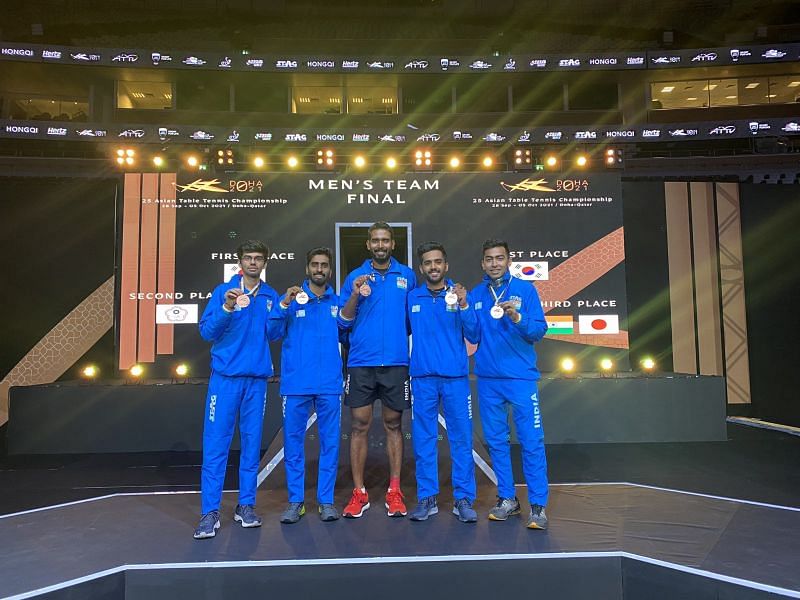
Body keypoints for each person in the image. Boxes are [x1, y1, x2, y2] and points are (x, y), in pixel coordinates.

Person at [193, 240, 281, 539]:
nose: (253, 263)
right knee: (216, 445)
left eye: (258, 258)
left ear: (265, 263)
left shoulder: (270, 295)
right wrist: (228, 307)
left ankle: (246, 506)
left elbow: (275, 333)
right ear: (239, 263)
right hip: (225, 380)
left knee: (251, 446)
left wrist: (282, 308)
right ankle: (210, 512)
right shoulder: (223, 292)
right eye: (248, 258)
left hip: (256, 381)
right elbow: (207, 332)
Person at [465, 239, 550, 529]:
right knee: (497, 443)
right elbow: (473, 337)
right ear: (482, 263)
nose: (494, 263)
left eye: (499, 258)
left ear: (509, 260)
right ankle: (507, 499)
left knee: (531, 441)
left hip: (521, 379)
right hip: (488, 380)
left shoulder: (525, 290)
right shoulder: (478, 294)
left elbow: (539, 329)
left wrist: (517, 316)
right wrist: (465, 308)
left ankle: (538, 505)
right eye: (489, 259)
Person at [338, 222, 416, 518]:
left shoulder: (406, 276)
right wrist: (356, 294)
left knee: (394, 425)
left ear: (392, 244)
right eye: (375, 241)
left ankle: (394, 491)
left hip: (396, 363)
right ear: (368, 245)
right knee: (359, 426)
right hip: (361, 363)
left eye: (385, 240)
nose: (381, 245)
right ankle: (359, 493)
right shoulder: (355, 277)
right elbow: (343, 322)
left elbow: (411, 320)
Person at [269, 247, 343, 524]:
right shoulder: (289, 299)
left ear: (330, 270)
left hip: (329, 385)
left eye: (324, 265)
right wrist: (284, 305)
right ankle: (296, 501)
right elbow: (272, 332)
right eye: (315, 265)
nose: (319, 269)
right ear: (307, 269)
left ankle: (326, 501)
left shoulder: (338, 301)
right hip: (296, 384)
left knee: (330, 444)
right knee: (293, 444)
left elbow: (349, 334)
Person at [406, 242, 478, 523]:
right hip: (423, 379)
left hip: (456, 379)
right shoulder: (412, 298)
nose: (433, 267)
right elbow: (403, 331)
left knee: (461, 439)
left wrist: (463, 304)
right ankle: (427, 498)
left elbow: (473, 333)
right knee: (424, 441)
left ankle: (463, 499)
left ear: (446, 266)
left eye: (438, 262)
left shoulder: (460, 296)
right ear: (422, 268)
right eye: (427, 263)